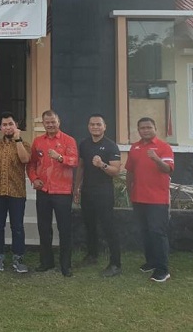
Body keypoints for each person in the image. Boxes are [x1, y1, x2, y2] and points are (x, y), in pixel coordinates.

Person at [28, 110, 78, 277]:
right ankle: (46, 262)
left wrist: (60, 157)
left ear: (58, 122)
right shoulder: (38, 141)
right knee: (44, 228)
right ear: (43, 124)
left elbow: (74, 161)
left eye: (53, 122)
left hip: (62, 191)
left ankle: (66, 265)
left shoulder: (68, 140)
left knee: (64, 229)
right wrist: (34, 179)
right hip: (43, 190)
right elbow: (32, 164)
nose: (50, 125)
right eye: (47, 122)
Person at [125, 117, 174, 283]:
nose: (145, 130)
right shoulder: (134, 147)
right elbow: (130, 171)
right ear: (138, 130)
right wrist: (129, 190)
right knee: (145, 231)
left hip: (157, 199)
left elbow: (168, 169)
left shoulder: (164, 147)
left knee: (157, 233)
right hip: (139, 197)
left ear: (155, 128)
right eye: (142, 128)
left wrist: (156, 159)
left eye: (148, 127)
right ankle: (151, 261)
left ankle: (163, 270)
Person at [74, 114, 122, 277]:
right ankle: (92, 255)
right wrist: (77, 188)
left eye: (98, 124)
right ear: (88, 126)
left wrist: (102, 165)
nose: (95, 127)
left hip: (104, 193)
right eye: (92, 124)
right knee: (90, 225)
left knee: (109, 227)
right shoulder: (84, 144)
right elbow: (81, 167)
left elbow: (116, 171)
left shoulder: (111, 146)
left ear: (104, 127)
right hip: (87, 191)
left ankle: (115, 264)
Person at [0, 112, 30, 273]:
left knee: (17, 226)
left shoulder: (24, 144)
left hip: (17, 192)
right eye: (4, 125)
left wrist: (18, 140)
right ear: (0, 127)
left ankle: (18, 258)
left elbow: (25, 159)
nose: (8, 127)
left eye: (10, 124)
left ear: (16, 125)